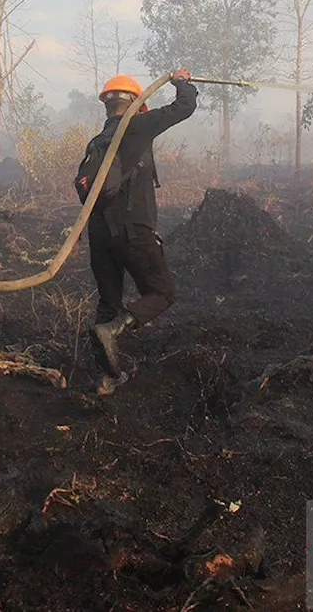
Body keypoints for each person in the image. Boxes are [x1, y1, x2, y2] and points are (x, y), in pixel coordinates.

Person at [86, 68, 197, 395]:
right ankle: (116, 329)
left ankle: (108, 377)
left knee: (108, 303)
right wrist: (181, 81)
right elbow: (184, 107)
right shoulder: (137, 125)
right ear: (137, 103)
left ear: (107, 105)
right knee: (162, 294)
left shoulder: (98, 140)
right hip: (133, 231)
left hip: (99, 236)